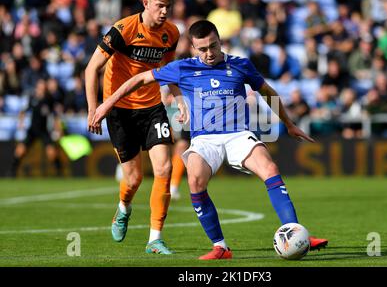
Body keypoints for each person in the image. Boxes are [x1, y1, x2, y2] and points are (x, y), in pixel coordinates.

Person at [90, 20, 328, 260]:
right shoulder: (182, 67)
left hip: (237, 134)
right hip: (204, 139)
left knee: (270, 167)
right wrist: (106, 105)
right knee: (194, 179)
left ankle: (297, 233)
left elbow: (267, 91)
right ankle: (221, 247)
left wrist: (289, 124)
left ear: (220, 41)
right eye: (202, 49)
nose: (209, 53)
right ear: (193, 48)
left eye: (213, 46)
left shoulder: (240, 64)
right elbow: (139, 79)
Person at [85, 0, 183, 255]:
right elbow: (91, 69)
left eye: (169, 7)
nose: (164, 12)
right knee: (134, 179)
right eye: (160, 6)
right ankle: (123, 208)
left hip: (152, 108)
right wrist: (95, 109)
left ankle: (155, 239)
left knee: (164, 168)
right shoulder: (123, 29)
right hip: (119, 111)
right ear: (146, 3)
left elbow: (168, 70)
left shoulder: (171, 33)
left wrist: (178, 98)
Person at [10, 79, 63, 177]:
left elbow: (55, 116)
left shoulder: (49, 99)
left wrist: (58, 129)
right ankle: (12, 172)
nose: (41, 88)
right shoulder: (32, 98)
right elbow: (23, 111)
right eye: (40, 86)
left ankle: (59, 172)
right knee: (20, 151)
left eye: (43, 86)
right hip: (32, 131)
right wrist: (21, 123)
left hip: (44, 130)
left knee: (51, 153)